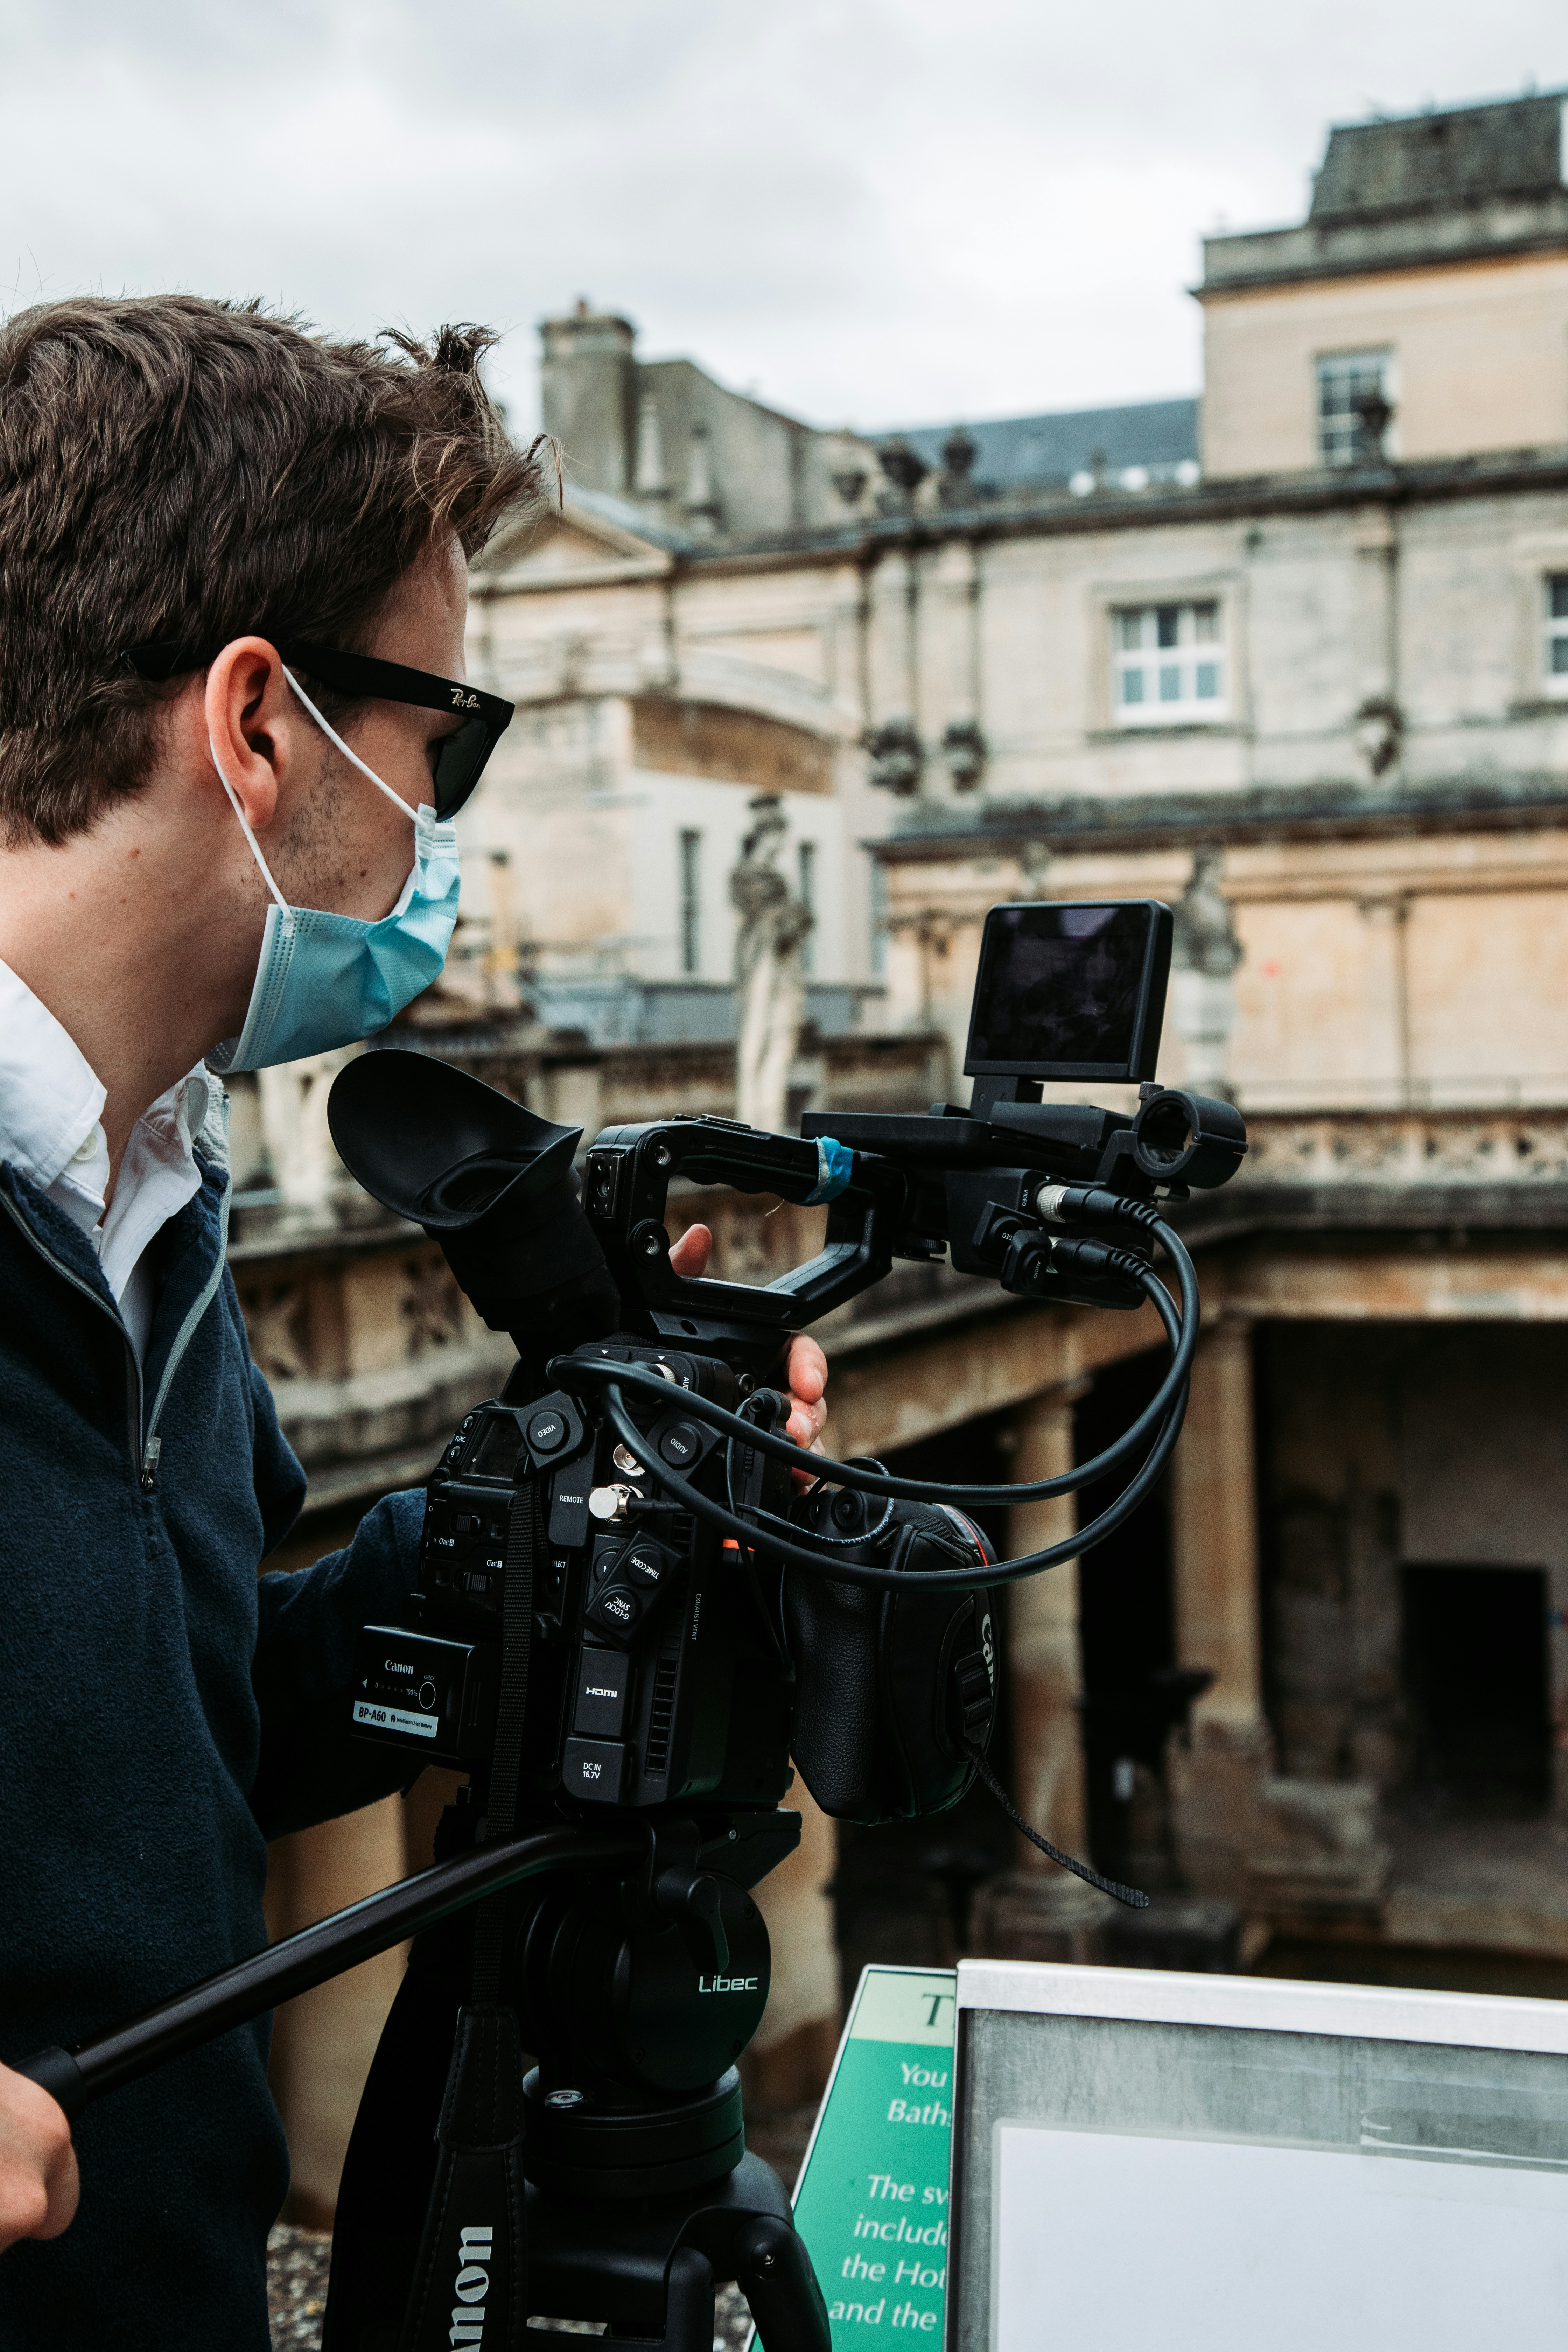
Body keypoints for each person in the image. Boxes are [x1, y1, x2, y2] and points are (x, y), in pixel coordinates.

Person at [0, 295, 829, 2348]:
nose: (440, 831)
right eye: (442, 742)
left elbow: (189, 1747)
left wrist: (542, 1524)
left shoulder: (156, 1198)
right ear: (261, 725)